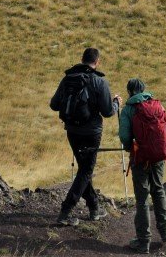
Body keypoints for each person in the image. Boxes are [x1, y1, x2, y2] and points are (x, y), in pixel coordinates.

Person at [49, 47, 118, 225]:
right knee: (86, 171)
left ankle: (94, 208)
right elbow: (108, 112)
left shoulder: (68, 78)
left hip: (72, 131)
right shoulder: (99, 82)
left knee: (83, 170)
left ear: (82, 59)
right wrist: (116, 103)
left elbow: (54, 105)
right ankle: (65, 211)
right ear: (97, 62)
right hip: (91, 133)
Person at [119, 77, 166, 253]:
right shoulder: (158, 105)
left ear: (129, 91)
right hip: (159, 156)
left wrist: (130, 148)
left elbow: (125, 137)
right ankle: (165, 232)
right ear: (144, 90)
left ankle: (144, 241)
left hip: (140, 158)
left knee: (142, 198)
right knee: (158, 190)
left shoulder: (129, 109)